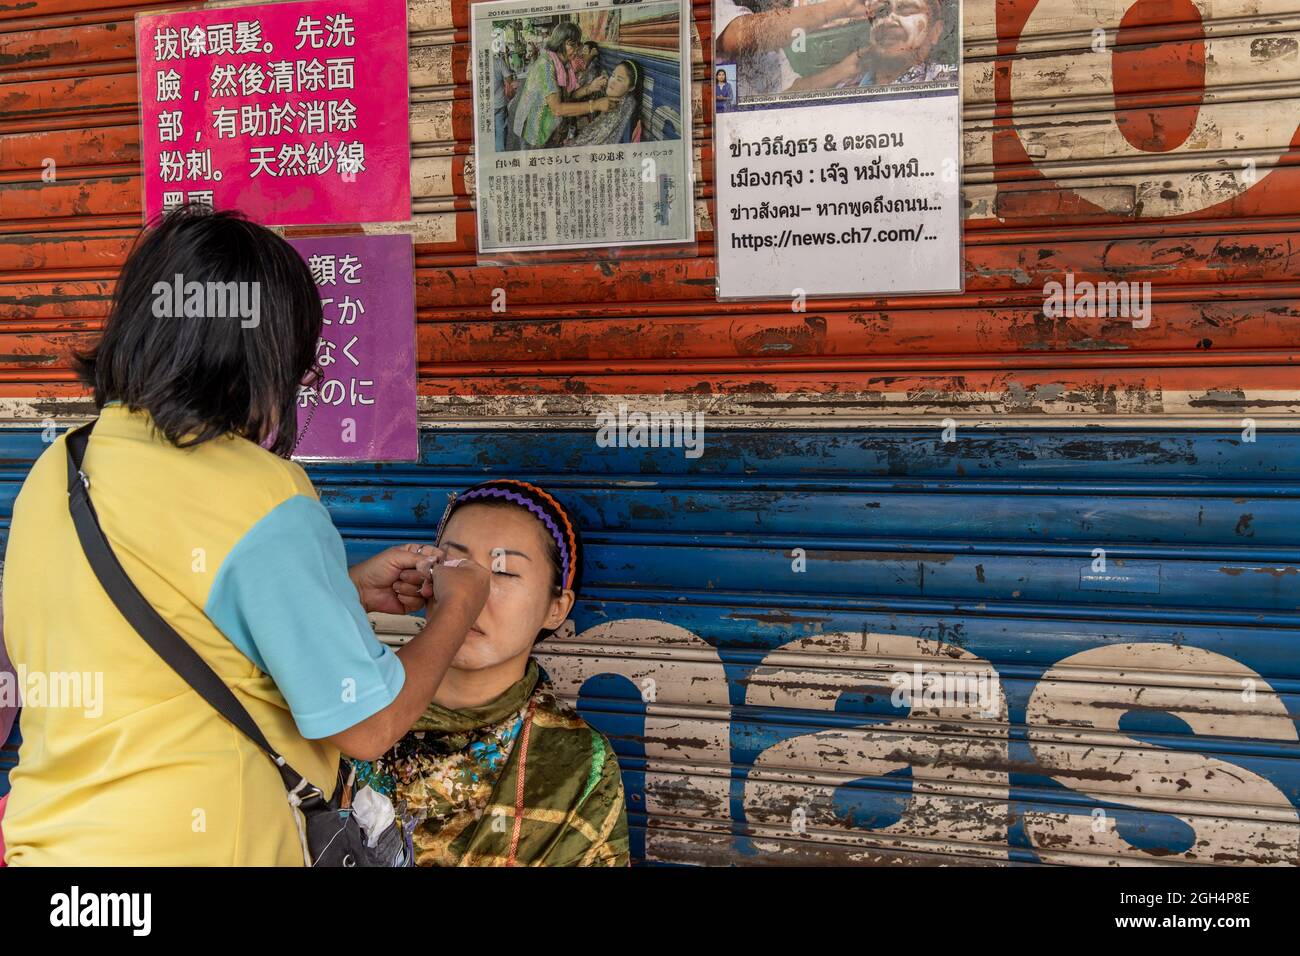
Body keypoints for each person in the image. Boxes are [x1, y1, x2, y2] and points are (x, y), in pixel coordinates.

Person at [1, 205, 491, 866]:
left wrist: (337, 593)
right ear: (264, 358)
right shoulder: (263, 494)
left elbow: (150, 634)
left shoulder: (59, 467)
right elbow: (369, 726)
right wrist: (460, 603)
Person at [351, 479, 630, 866]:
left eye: (503, 571)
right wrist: (349, 592)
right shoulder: (347, 701)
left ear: (557, 607)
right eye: (453, 564)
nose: (469, 591)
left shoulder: (577, 765)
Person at [715, 0, 873, 97]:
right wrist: (843, 6)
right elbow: (739, 35)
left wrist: (846, 69)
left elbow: (789, 91)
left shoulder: (771, 37)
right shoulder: (712, 8)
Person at [795, 0, 955, 91]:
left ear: (935, 31)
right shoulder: (845, 84)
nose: (889, 20)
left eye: (906, 9)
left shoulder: (950, 82)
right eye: (880, 11)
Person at [511, 21, 610, 148]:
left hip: (551, 130)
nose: (577, 50)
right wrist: (595, 105)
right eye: (572, 45)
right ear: (559, 42)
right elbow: (557, 109)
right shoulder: (545, 65)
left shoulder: (565, 64)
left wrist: (590, 88)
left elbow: (570, 95)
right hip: (535, 132)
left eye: (578, 44)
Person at [571, 60, 642, 147]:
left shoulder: (625, 111)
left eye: (619, 79)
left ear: (631, 88)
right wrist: (590, 88)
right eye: (613, 75)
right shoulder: (604, 95)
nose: (612, 81)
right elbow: (572, 97)